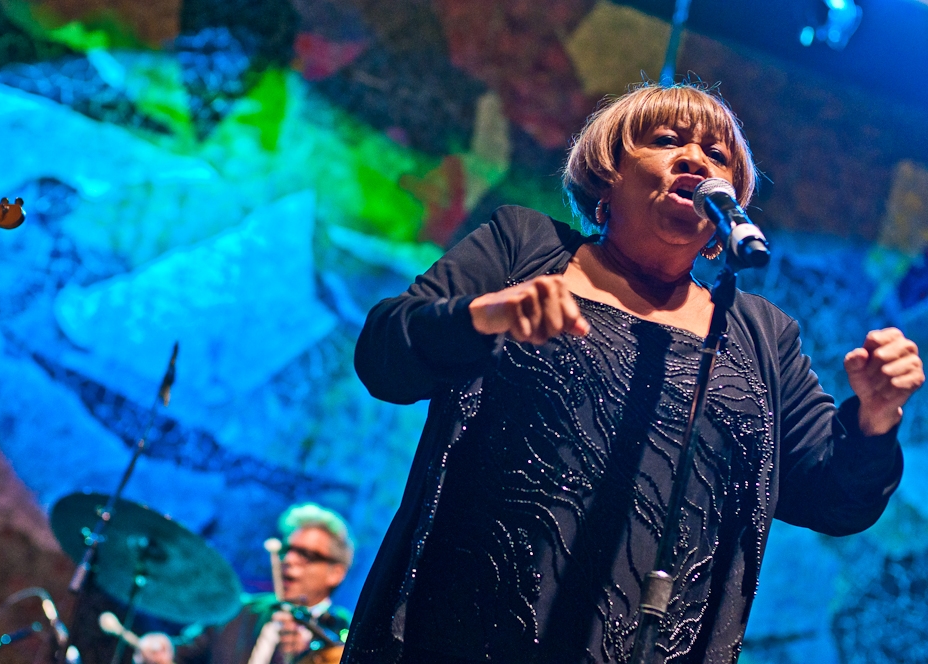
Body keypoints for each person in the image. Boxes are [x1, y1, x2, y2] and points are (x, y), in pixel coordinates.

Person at [342, 82, 925, 664]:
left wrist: (875, 416)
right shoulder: (523, 248)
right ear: (607, 176)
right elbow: (384, 360)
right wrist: (482, 316)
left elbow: (833, 498)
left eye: (717, 156)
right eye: (668, 140)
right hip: (465, 632)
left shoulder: (760, 334)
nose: (695, 158)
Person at [137, 503, 353, 664]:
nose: (288, 560)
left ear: (335, 573)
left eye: (305, 554)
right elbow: (181, 652)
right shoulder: (239, 611)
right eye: (287, 550)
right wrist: (160, 648)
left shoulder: (346, 633)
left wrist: (311, 655)